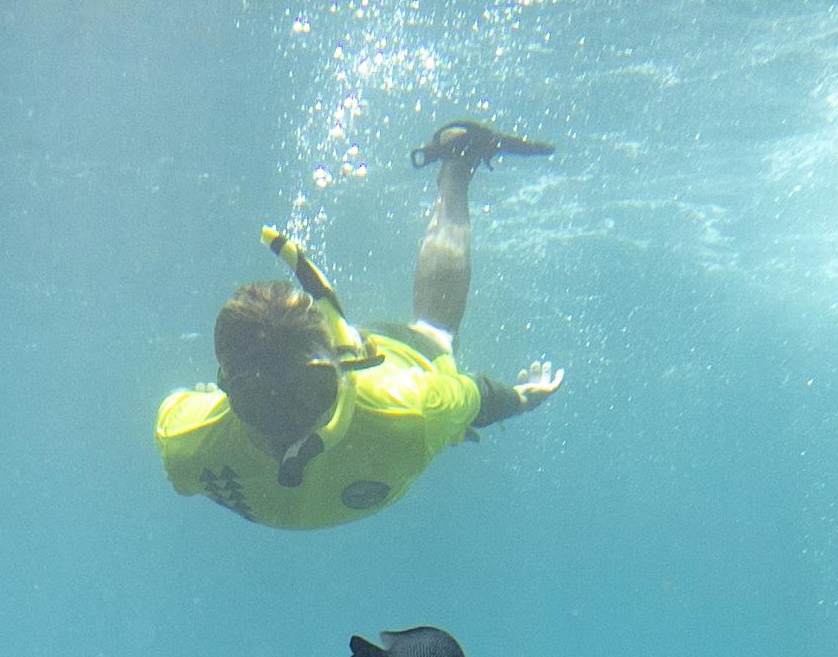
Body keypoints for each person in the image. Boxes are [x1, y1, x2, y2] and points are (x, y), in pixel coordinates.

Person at [154, 122, 563, 528]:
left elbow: (483, 397)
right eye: (259, 397)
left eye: (308, 390)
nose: (287, 422)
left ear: (339, 365)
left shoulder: (408, 403)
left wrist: (523, 399)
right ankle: (458, 161)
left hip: (398, 358)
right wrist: (523, 398)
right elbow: (484, 399)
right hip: (388, 411)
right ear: (230, 391)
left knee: (435, 334)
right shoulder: (414, 414)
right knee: (440, 353)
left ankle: (457, 164)